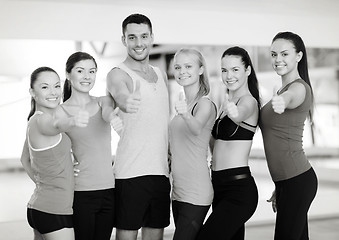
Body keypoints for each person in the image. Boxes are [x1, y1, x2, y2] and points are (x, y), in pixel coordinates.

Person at [106, 13, 171, 240]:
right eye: (132, 37)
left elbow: (164, 120)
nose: (139, 43)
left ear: (152, 37)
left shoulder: (161, 74)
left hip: (161, 173)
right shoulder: (117, 74)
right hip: (131, 174)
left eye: (144, 36)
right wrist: (126, 101)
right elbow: (121, 93)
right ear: (124, 40)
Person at [197, 46, 260, 240]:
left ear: (247, 70)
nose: (228, 75)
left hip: (239, 190)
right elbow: (216, 144)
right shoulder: (226, 106)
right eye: (224, 70)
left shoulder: (248, 102)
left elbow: (241, 113)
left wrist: (235, 113)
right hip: (219, 186)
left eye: (235, 70)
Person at [259, 31, 318, 240]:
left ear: (298, 56)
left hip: (297, 180)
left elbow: (291, 97)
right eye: (274, 54)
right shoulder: (283, 88)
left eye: (284, 54)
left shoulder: (298, 88)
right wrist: (280, 185)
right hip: (288, 182)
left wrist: (282, 101)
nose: (278, 60)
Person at [54, 51, 119, 240]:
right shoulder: (60, 111)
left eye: (92, 71)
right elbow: (51, 147)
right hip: (81, 192)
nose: (87, 76)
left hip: (109, 190)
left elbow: (107, 113)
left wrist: (113, 118)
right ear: (68, 74)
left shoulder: (103, 101)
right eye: (80, 71)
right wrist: (64, 169)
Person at [20, 66, 89, 240]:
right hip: (53, 211)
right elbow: (56, 126)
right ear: (32, 92)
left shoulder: (33, 120)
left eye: (57, 86)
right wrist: (73, 120)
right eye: (45, 87)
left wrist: (50, 178)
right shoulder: (42, 121)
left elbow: (24, 159)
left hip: (39, 207)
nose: (53, 92)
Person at [169, 48, 216, 240]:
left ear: (201, 69)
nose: (182, 71)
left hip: (196, 191)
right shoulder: (184, 104)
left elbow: (196, 128)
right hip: (178, 191)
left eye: (188, 66)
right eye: (178, 67)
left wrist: (185, 115)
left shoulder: (204, 104)